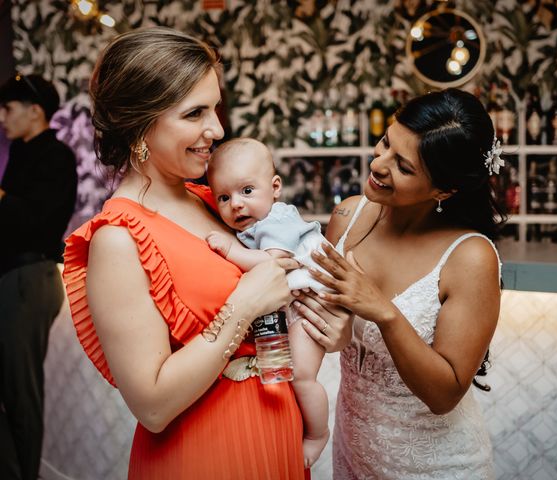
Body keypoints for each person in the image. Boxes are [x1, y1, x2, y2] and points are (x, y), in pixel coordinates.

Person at [61, 27, 310, 479]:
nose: (216, 129)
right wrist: (245, 304)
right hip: (205, 451)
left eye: (215, 108)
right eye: (194, 113)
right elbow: (152, 405)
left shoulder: (211, 200)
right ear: (140, 124)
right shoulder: (118, 237)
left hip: (276, 428)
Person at [293, 88, 505, 479]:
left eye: (404, 167)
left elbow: (445, 394)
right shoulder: (348, 216)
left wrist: (384, 312)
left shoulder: (470, 257)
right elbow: (315, 317)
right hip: (354, 450)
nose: (379, 163)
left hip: (434, 464)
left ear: (446, 189)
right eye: (386, 142)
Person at [205, 138, 330, 467]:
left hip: (311, 305)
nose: (236, 204)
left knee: (302, 375)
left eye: (247, 191)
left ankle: (318, 435)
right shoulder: (253, 225)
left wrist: (231, 252)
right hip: (293, 304)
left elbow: (272, 264)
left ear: (275, 187)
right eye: (224, 197)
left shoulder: (278, 219)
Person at [0, 73, 78, 480]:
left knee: (20, 392)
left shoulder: (57, 156)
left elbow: (37, 222)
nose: (2, 117)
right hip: (13, 279)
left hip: (30, 279)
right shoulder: (19, 152)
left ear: (35, 112)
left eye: (8, 108)